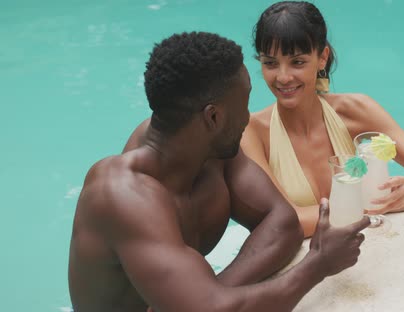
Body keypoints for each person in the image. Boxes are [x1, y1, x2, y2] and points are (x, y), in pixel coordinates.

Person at [68, 31, 370, 312]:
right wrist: (316, 265)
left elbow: (282, 222)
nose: (248, 116)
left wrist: (211, 292)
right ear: (213, 116)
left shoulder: (207, 147)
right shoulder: (122, 195)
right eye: (245, 102)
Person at [241, 1, 404, 237]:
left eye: (297, 62)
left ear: (322, 57)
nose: (283, 77)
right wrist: (369, 205)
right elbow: (286, 222)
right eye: (270, 63)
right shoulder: (253, 132)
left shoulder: (356, 110)